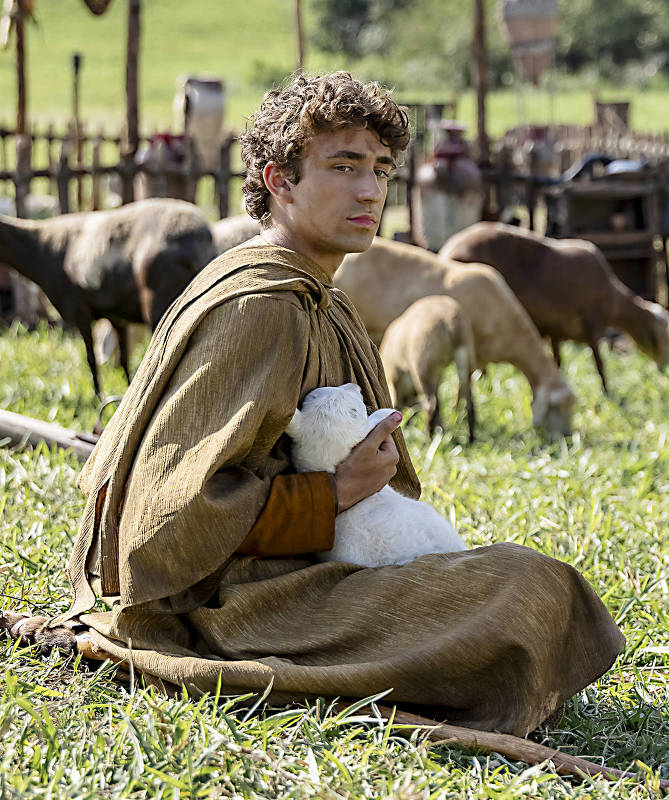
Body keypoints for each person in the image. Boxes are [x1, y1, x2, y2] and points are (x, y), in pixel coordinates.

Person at [52, 72, 624, 736]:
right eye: (344, 166)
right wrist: (337, 492)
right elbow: (168, 522)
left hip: (301, 574)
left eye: (380, 170)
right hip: (233, 609)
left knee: (519, 581)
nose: (370, 191)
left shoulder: (313, 293)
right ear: (280, 181)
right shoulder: (262, 307)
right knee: (530, 588)